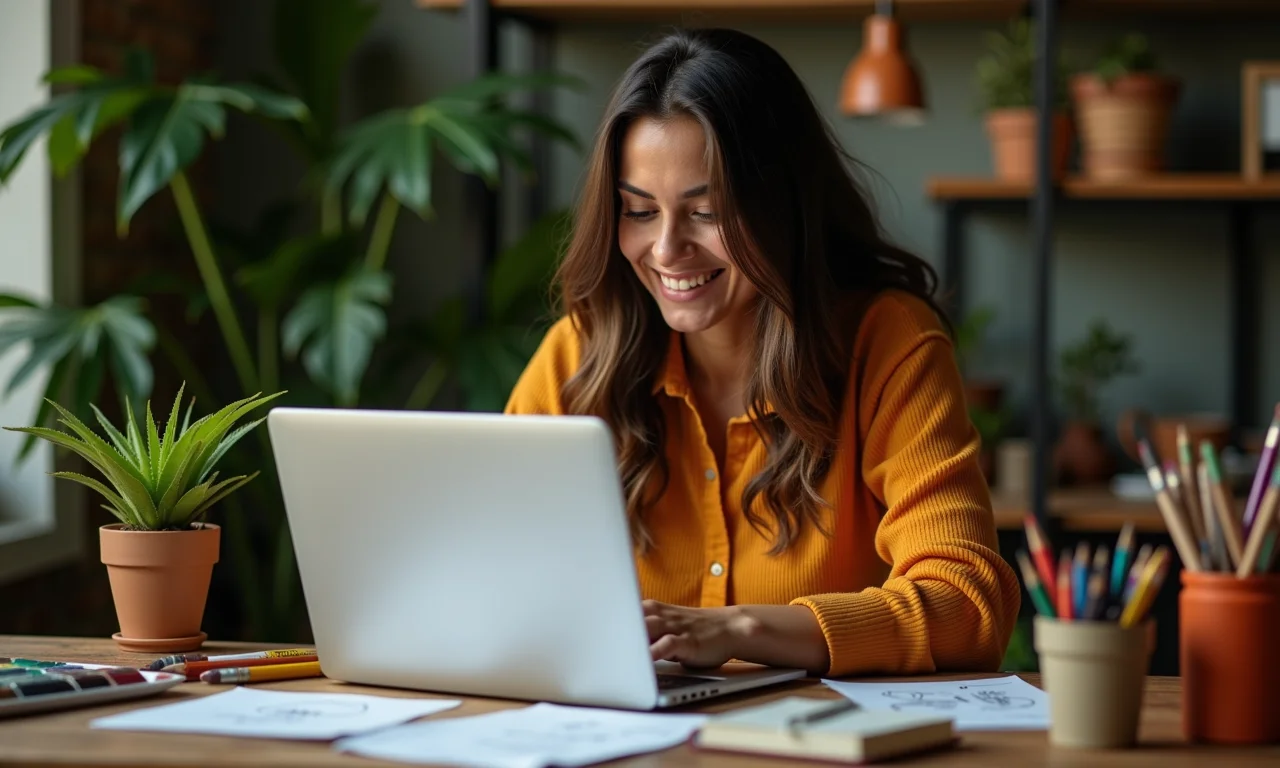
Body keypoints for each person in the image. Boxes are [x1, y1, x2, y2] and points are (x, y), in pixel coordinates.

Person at [504, 27, 1021, 678]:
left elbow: (968, 604)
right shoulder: (578, 356)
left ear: (783, 205)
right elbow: (494, 578)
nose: (665, 250)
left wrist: (738, 630)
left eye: (707, 211)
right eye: (638, 211)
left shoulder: (888, 344)